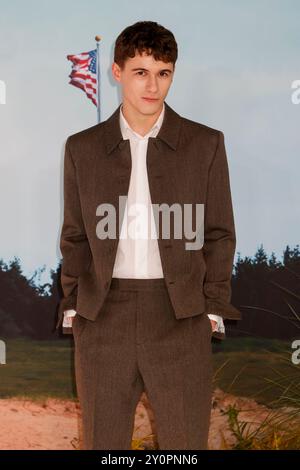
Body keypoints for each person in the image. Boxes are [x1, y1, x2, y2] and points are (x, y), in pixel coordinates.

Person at [56, 20, 241, 450]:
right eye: (141, 72)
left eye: (163, 73)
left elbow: (219, 232)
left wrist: (211, 307)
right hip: (103, 317)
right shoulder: (81, 148)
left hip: (181, 316)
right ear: (117, 72)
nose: (153, 85)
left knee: (184, 447)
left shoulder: (205, 144)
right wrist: (73, 305)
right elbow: (75, 235)